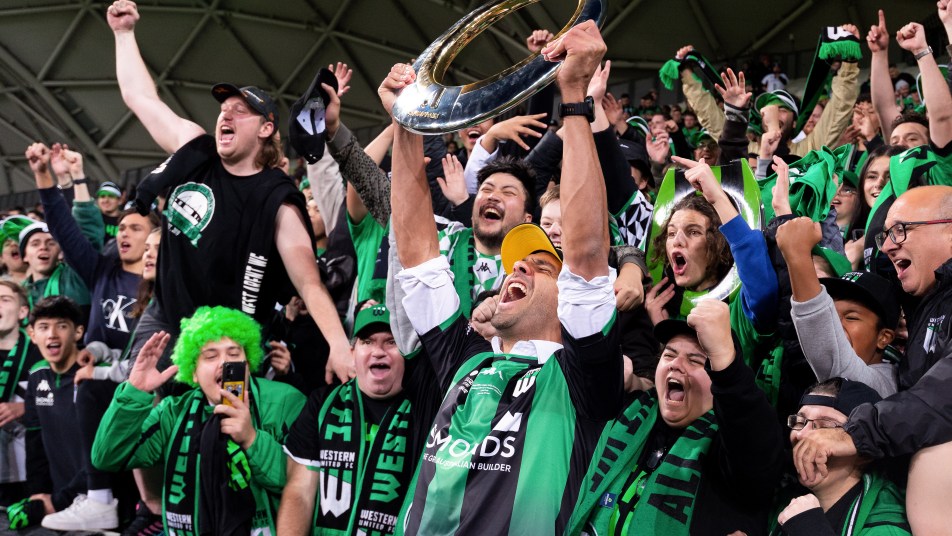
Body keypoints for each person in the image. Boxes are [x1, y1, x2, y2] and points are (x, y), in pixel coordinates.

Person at [382, 21, 622, 534]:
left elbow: (586, 253)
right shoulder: (467, 359)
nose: (519, 267)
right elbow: (418, 252)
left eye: (541, 265)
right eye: (516, 263)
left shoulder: (580, 379)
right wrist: (407, 121)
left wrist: (574, 97)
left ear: (570, 301)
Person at [106, 0, 351, 383]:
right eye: (224, 108)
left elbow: (308, 282)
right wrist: (123, 34)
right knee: (144, 410)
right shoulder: (195, 151)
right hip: (165, 319)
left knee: (222, 419)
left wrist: (338, 344)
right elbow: (141, 98)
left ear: (266, 129)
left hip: (227, 338)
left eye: (240, 110)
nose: (226, 113)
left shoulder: (277, 200)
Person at [793, 185, 952, 535]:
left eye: (901, 230)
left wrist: (857, 433)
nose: (888, 245)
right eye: (885, 235)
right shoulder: (929, 303)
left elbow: (945, 393)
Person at [568, 300, 784, 535]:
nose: (676, 365)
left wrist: (725, 361)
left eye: (695, 360)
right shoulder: (628, 414)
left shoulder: (731, 447)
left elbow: (753, 438)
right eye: (669, 354)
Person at [92, 306, 306, 535]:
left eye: (234, 354)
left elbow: (305, 487)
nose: (224, 363)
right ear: (193, 372)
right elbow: (107, 457)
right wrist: (134, 393)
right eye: (211, 356)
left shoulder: (285, 401)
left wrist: (252, 439)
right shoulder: (173, 412)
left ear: (249, 362)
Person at [277, 304, 438, 535]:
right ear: (353, 352)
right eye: (367, 341)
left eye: (391, 341)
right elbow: (299, 492)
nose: (378, 351)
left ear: (407, 352)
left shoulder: (426, 407)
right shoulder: (323, 403)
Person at [20, 296, 119, 531]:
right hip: (60, 509)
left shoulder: (98, 377)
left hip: (103, 504)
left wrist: (59, 500)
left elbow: (106, 450)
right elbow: (35, 443)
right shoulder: (36, 375)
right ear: (32, 334)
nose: (52, 335)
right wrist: (39, 495)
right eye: (44, 327)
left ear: (78, 332)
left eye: (62, 326)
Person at [777, 217, 901, 396]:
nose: (834, 323)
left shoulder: (883, 384)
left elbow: (828, 350)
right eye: (832, 314)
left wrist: (797, 253)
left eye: (851, 317)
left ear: (884, 337)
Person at [776, 379, 910, 535]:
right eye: (800, 422)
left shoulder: (887, 529)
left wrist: (809, 528)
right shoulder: (783, 498)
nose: (800, 434)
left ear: (864, 454)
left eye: (826, 426)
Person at [0, 282, 40, 506]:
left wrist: (27, 407)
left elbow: (63, 403)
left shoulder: (41, 353)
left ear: (23, 312)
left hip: (26, 472)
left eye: (5, 300)